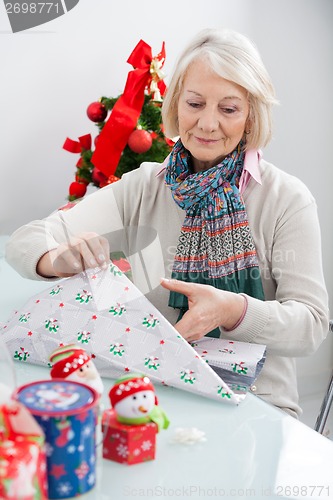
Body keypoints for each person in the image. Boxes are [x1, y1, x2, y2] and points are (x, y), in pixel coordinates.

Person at [6, 28, 329, 418]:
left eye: (228, 109)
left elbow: (312, 325)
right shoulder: (144, 186)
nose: (207, 124)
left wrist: (233, 311)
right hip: (158, 395)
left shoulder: (286, 200)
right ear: (176, 103)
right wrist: (57, 259)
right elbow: (25, 241)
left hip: (258, 405)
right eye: (195, 103)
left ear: (251, 115)